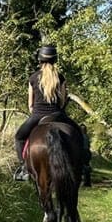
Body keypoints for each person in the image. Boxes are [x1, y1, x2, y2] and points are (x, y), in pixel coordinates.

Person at [13, 45, 91, 181]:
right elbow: (61, 102)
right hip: (58, 115)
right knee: (79, 133)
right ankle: (84, 166)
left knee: (19, 137)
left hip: (37, 116)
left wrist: (35, 111)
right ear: (55, 60)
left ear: (40, 60)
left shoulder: (33, 78)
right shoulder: (60, 78)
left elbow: (30, 104)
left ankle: (24, 168)